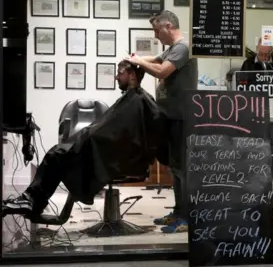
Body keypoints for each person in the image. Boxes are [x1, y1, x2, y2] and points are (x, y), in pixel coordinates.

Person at [2, 61, 164, 218]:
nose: (116, 77)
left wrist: (88, 137)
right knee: (57, 155)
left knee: (56, 156)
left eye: (120, 73)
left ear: (132, 75)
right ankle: (33, 200)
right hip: (110, 153)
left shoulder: (138, 100)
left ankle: (33, 200)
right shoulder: (133, 99)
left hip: (118, 159)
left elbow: (122, 135)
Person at [123, 10, 198, 234]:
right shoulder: (172, 50)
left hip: (181, 118)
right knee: (174, 168)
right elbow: (153, 60)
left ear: (168, 26)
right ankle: (178, 211)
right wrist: (131, 60)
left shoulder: (183, 48)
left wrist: (137, 62)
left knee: (182, 169)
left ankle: (185, 217)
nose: (156, 36)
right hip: (170, 117)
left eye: (157, 31)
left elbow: (162, 71)